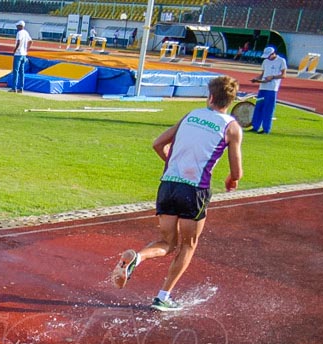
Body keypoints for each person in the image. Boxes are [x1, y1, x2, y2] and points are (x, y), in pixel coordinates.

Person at [112, 75, 243, 312]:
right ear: (231, 100)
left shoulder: (190, 115)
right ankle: (163, 297)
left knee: (167, 242)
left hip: (168, 185)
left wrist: (172, 162)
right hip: (194, 190)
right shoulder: (231, 127)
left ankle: (137, 258)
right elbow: (237, 171)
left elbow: (157, 144)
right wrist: (231, 180)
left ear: (210, 96)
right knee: (187, 245)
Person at [250, 46, 287, 134]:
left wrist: (273, 77)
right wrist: (256, 79)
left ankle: (266, 129)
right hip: (262, 87)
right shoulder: (265, 61)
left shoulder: (281, 61)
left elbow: (284, 75)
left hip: (272, 88)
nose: (267, 58)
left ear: (273, 54)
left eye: (269, 56)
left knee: (268, 109)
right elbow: (262, 73)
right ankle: (255, 126)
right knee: (259, 107)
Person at [11, 20, 31, 93]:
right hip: (24, 54)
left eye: (17, 26)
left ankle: (14, 88)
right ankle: (21, 88)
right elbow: (30, 41)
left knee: (15, 71)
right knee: (22, 72)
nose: (16, 27)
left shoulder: (19, 33)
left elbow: (19, 42)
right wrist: (27, 49)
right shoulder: (26, 33)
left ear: (20, 26)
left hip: (18, 54)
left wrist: (15, 49)